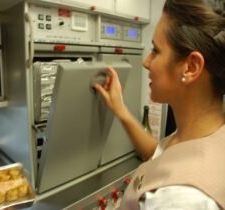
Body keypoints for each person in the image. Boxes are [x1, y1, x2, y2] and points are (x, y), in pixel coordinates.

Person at [94, 0, 225, 209]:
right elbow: (163, 158)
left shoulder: (182, 200)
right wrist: (120, 110)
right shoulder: (206, 134)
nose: (146, 62)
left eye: (156, 50)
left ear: (191, 67)